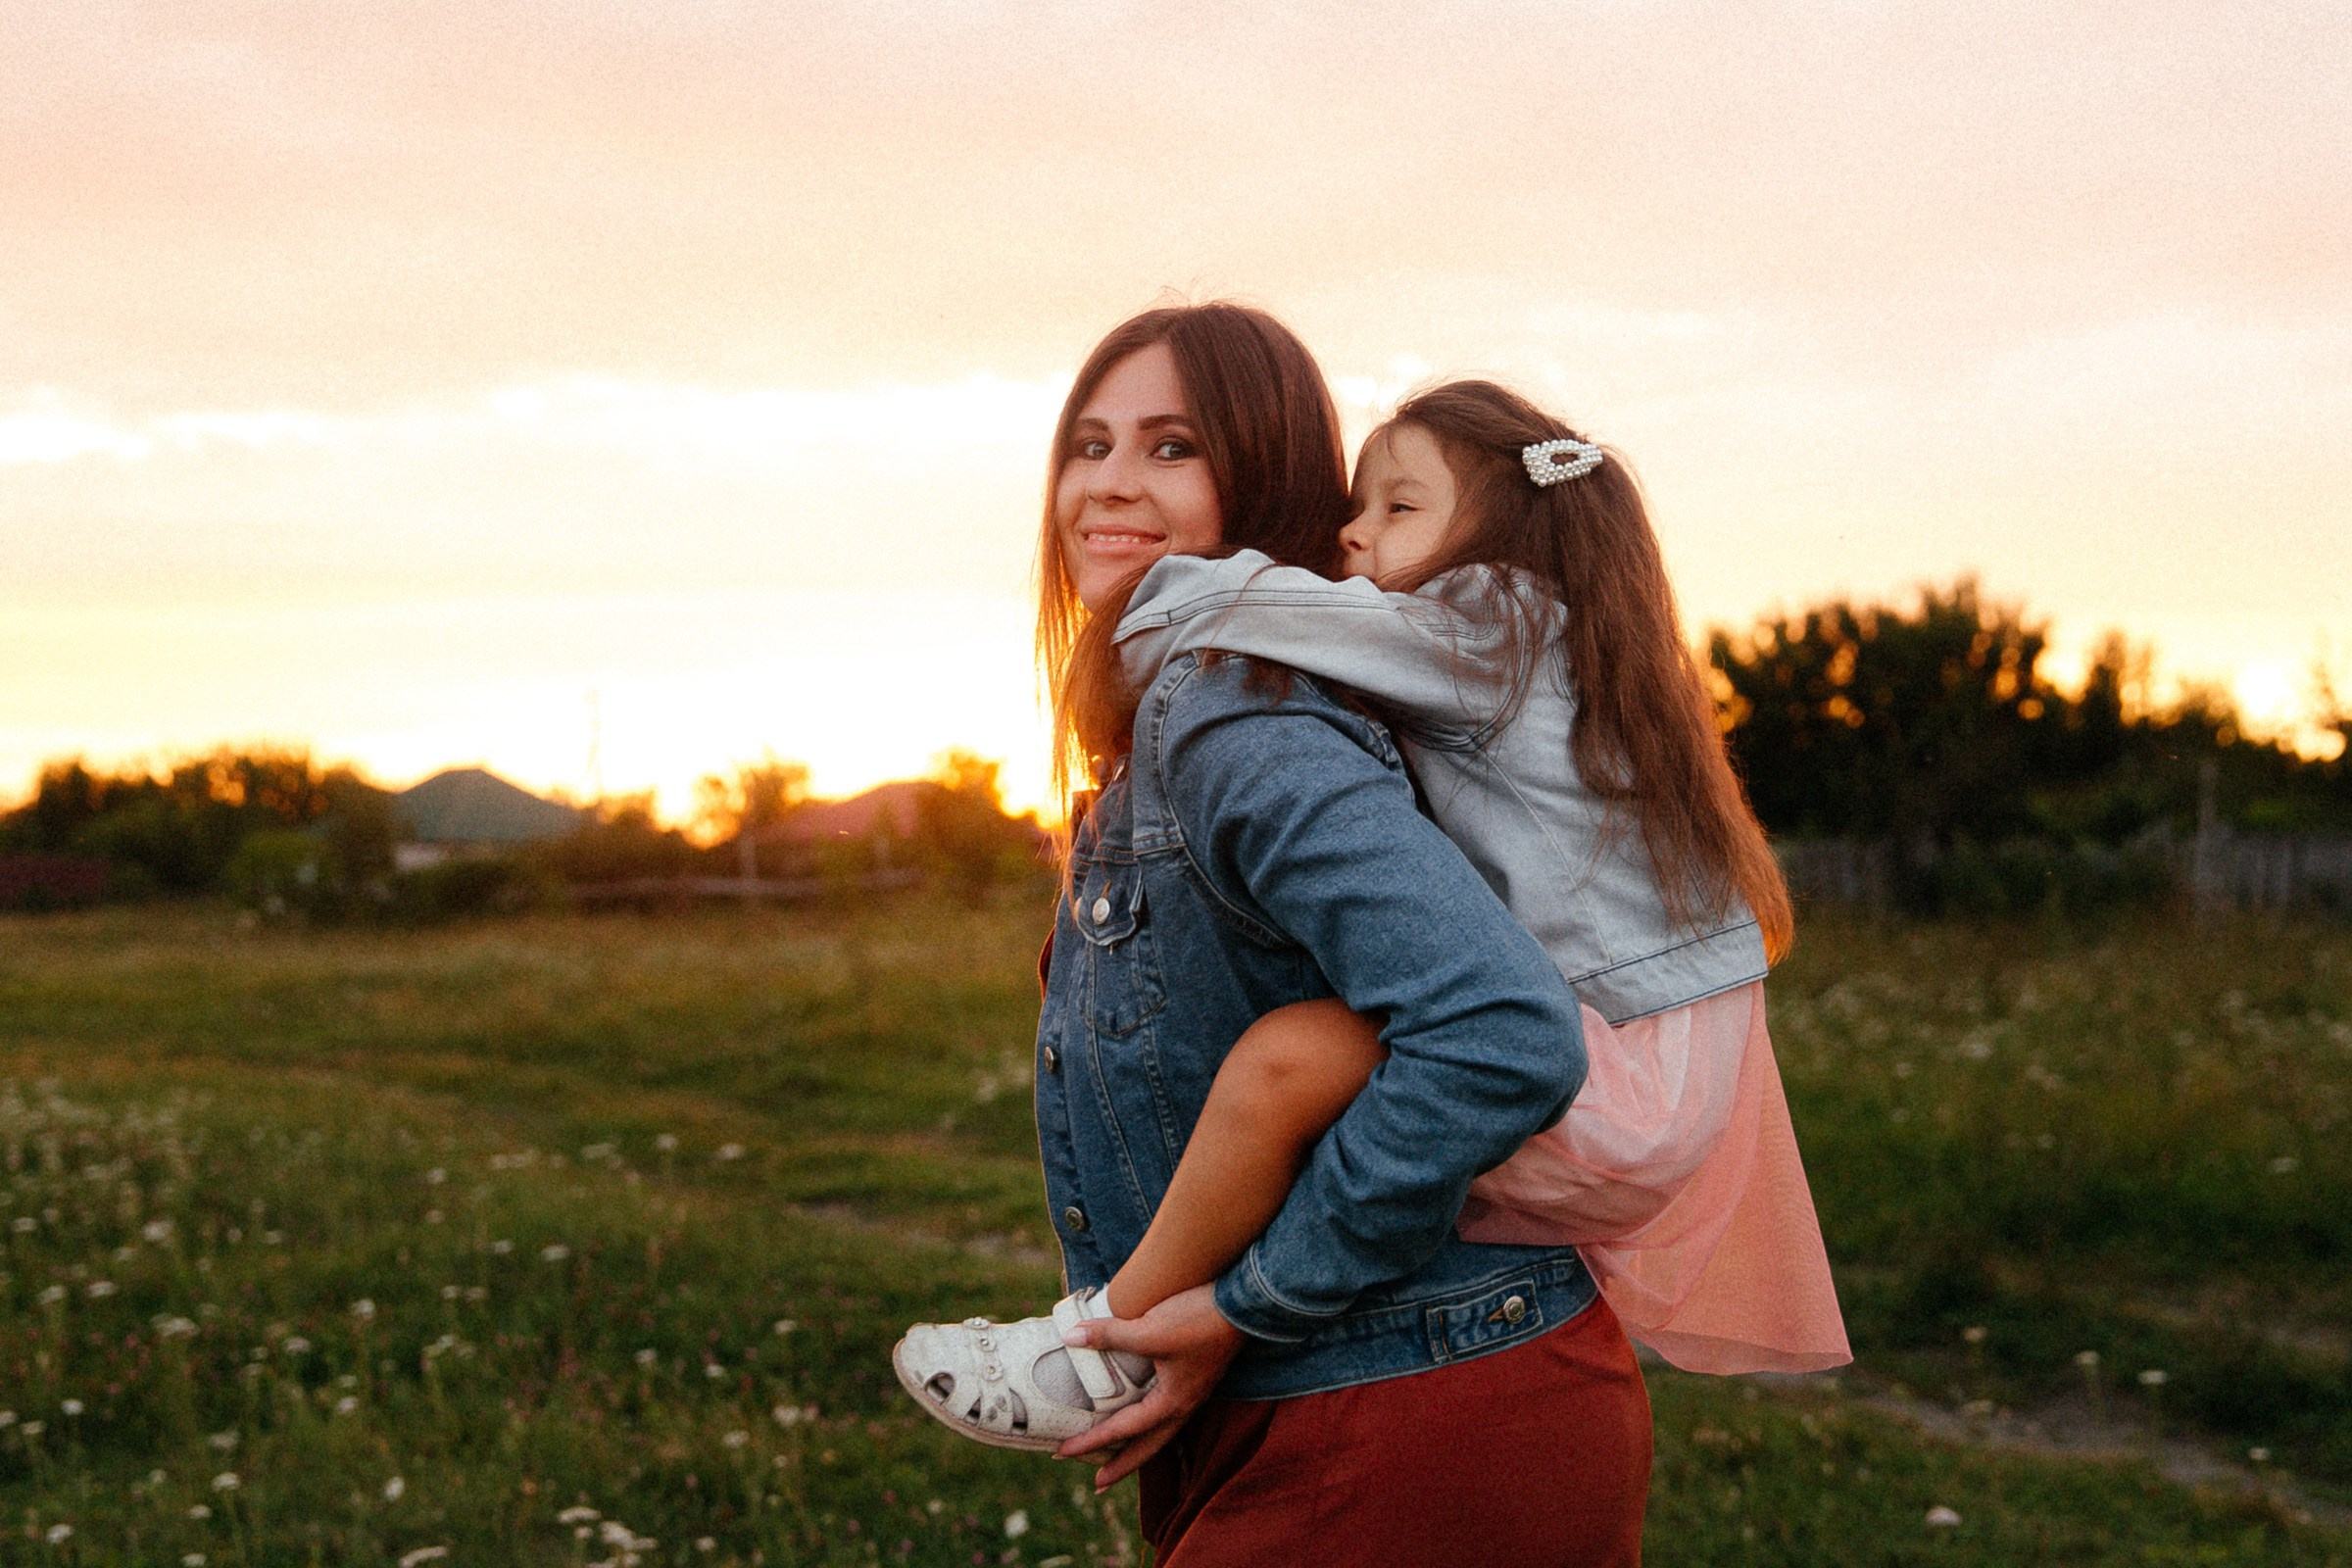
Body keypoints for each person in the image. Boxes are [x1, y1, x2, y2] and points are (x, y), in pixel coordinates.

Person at [897, 305, 1653, 1566]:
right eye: (1089, 444)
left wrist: (1254, 1302)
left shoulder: (1233, 714)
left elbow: (1503, 1030)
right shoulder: (1189, 714)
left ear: (1265, 477)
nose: (1109, 484)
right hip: (1358, 1392)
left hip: (1403, 1405)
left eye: (1172, 447)